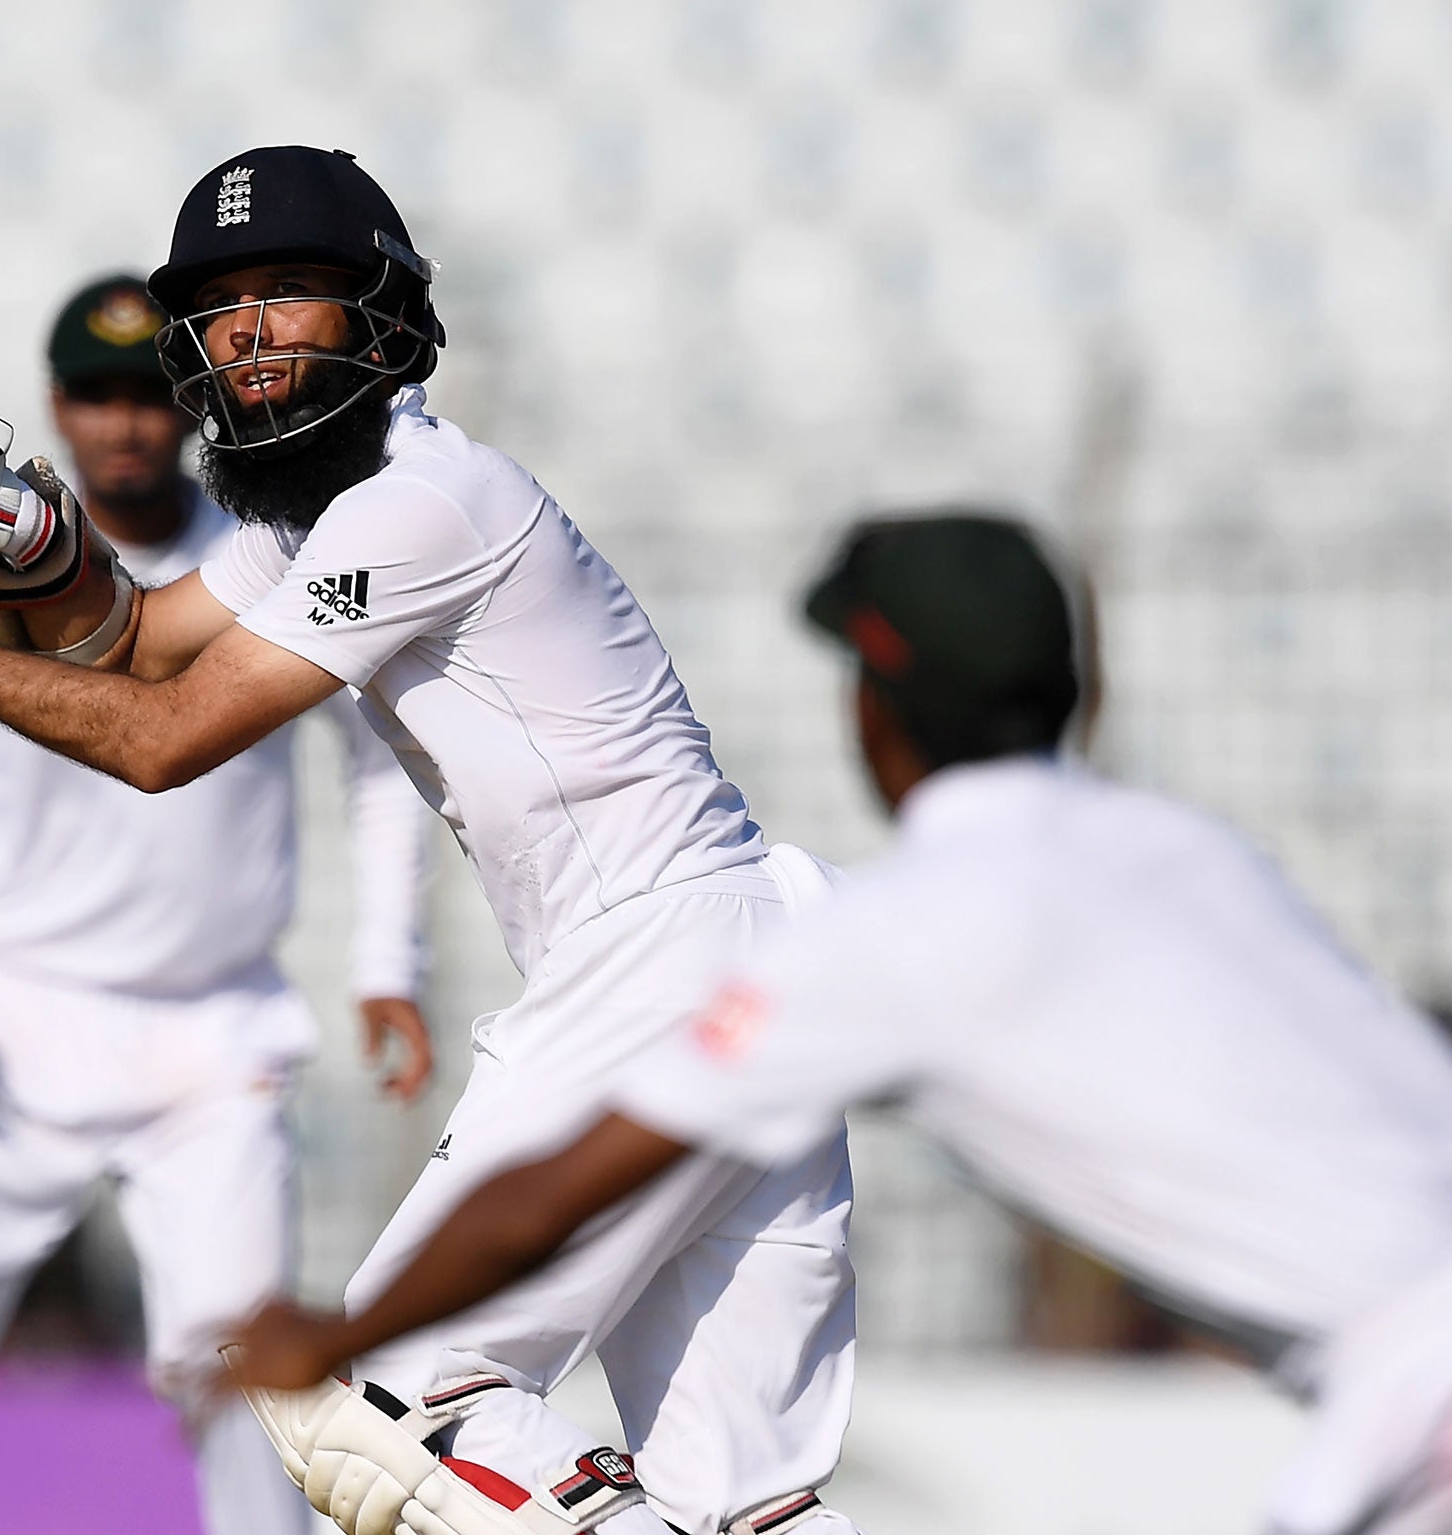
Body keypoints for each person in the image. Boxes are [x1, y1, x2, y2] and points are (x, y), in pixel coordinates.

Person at [0, 147, 864, 1535]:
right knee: (749, 1501)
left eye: (294, 291)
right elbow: (132, 637)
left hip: (651, 965)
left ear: (381, 311)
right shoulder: (317, 520)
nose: (251, 328)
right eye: (223, 305)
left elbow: (157, 739)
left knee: (381, 1393)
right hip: (750, 964)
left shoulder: (417, 502)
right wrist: (28, 535)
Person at [230, 512, 1452, 1535]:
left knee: (371, 1404)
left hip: (1416, 1387)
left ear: (875, 709)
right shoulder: (1190, 852)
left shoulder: (897, 935)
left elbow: (549, 1200)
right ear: (1079, 688)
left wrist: (339, 1337)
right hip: (1405, 1373)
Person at [0, 272, 436, 1535]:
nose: (124, 425)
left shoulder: (268, 552)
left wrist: (390, 959)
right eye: (96, 398)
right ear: (57, 409)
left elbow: (377, 765)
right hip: (1, 1029)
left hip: (208, 1041)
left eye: (143, 397)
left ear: (180, 409)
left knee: (249, 1388)